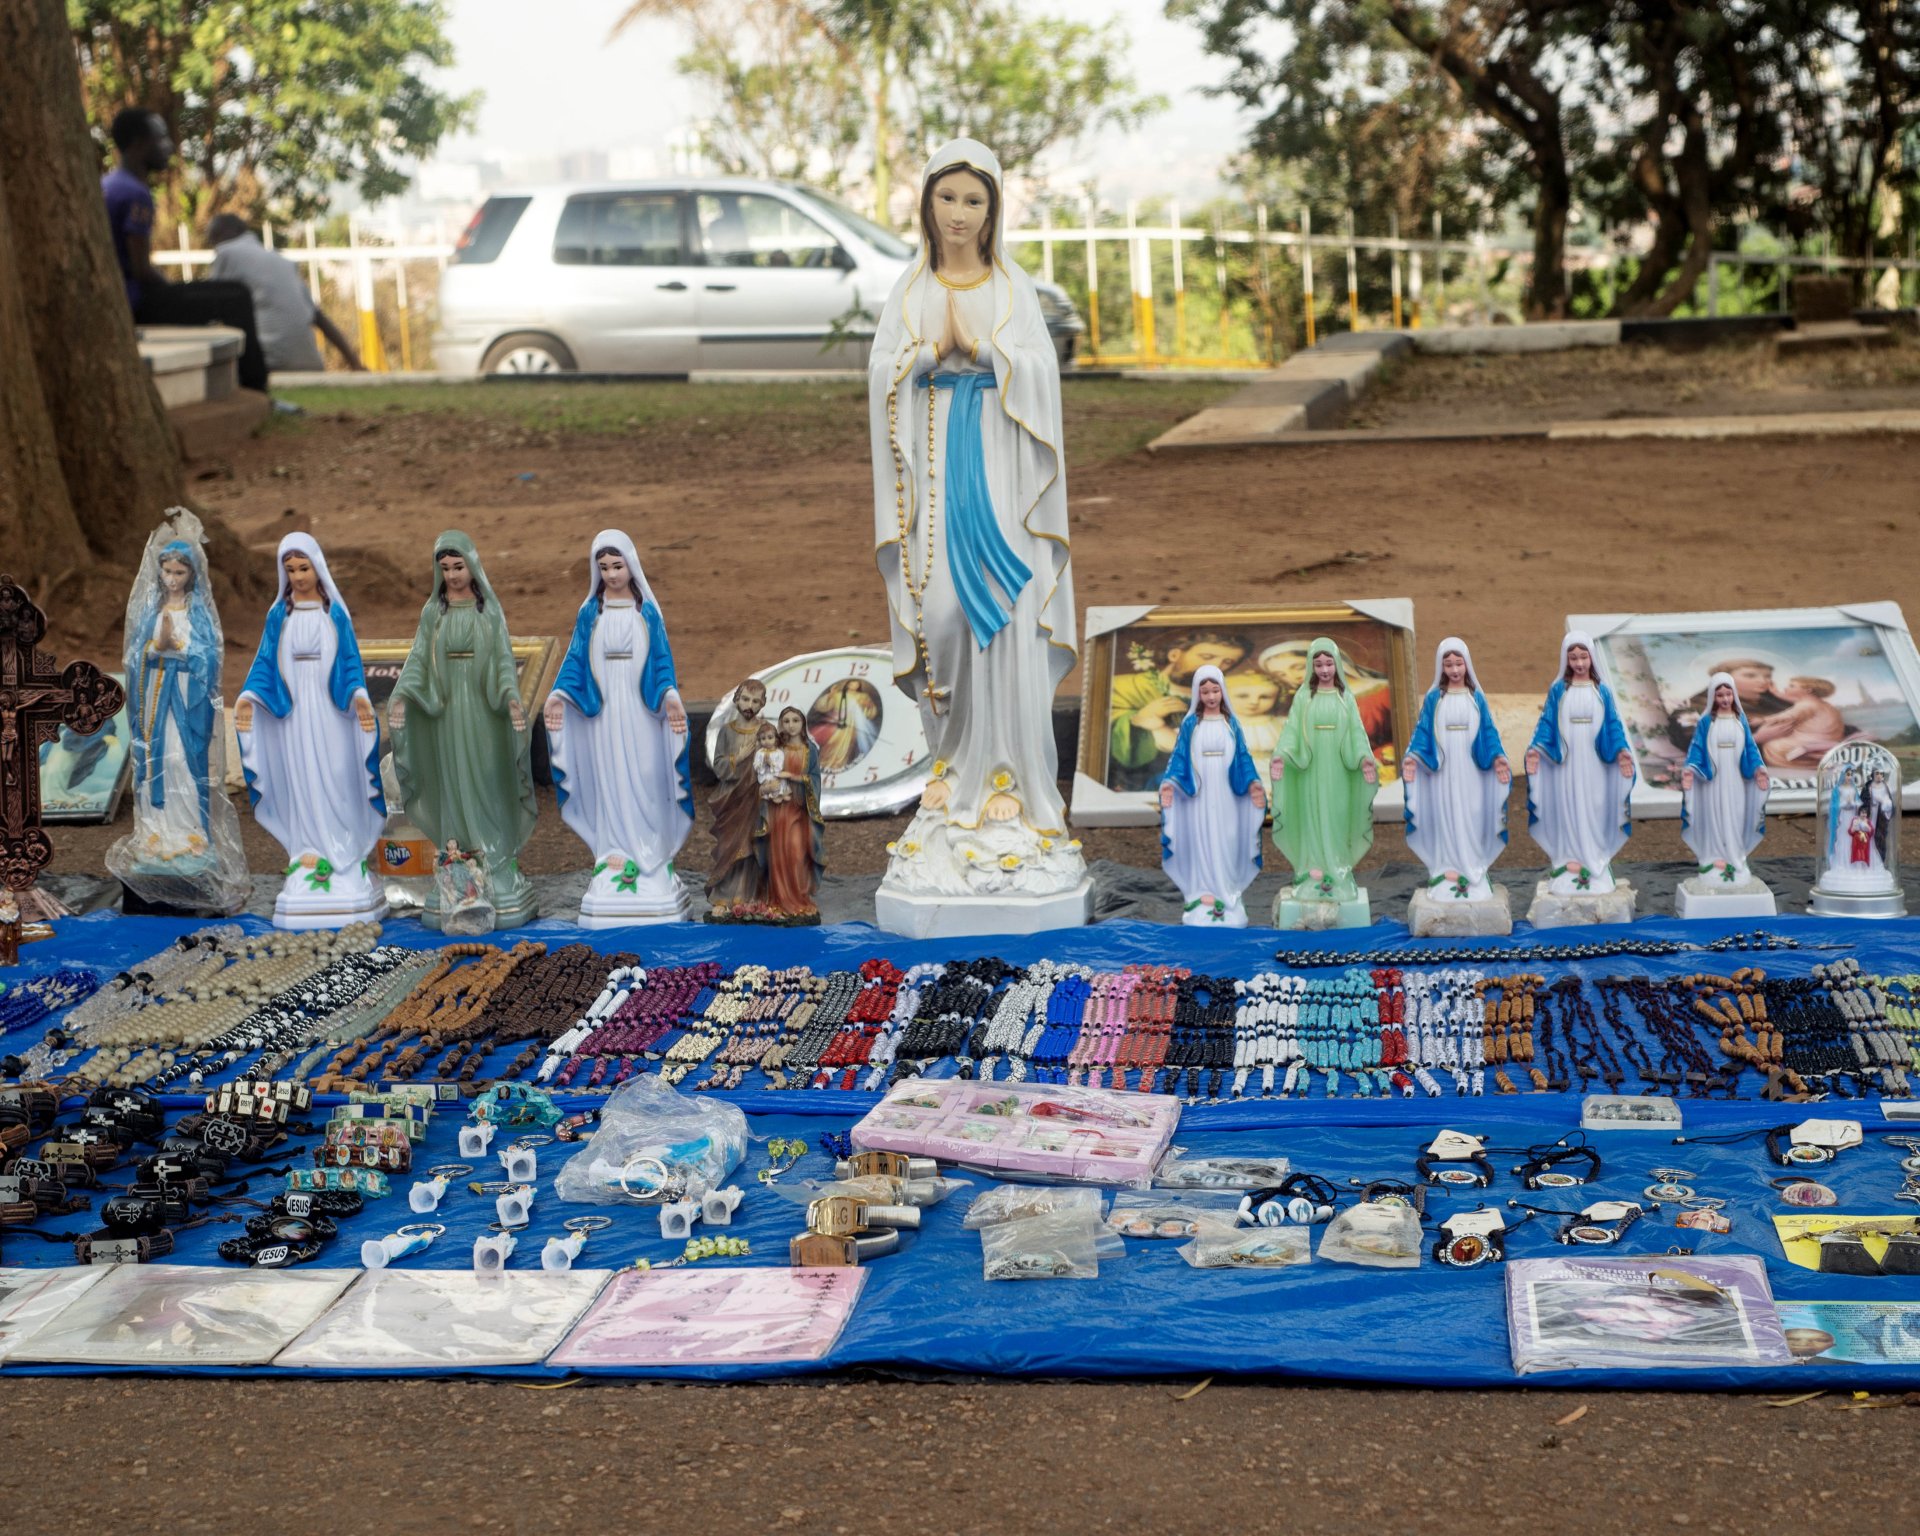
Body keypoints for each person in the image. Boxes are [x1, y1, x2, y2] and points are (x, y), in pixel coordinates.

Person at [868, 136, 1084, 905]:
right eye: (947, 198)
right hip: (932, 481)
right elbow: (882, 376)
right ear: (926, 204)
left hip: (1000, 473)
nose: (958, 214)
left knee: (1011, 620)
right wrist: (924, 357)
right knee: (947, 617)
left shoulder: (1012, 288)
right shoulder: (909, 289)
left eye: (974, 200)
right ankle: (952, 773)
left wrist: (989, 354)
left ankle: (1015, 790)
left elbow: (1040, 375)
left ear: (993, 211)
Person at [234, 533, 387, 926]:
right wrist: (249, 698)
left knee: (336, 777)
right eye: (290, 570)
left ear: (317, 568)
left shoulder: (333, 612)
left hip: (330, 712)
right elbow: (265, 663)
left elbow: (350, 662)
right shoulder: (278, 616)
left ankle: (344, 852)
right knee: (302, 778)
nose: (298, 576)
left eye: (304, 568)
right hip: (294, 715)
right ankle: (309, 852)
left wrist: (358, 697)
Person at [389, 531, 539, 930]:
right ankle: (459, 862)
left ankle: (493, 854)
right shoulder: (433, 613)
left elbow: (503, 659)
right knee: (453, 783)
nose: (453, 575)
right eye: (445, 568)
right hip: (445, 713)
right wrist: (403, 696)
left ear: (472, 566)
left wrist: (509, 697)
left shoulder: (488, 610)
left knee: (487, 781)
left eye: (459, 566)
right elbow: (419, 659)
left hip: (482, 712)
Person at [544, 530, 693, 921]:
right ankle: (614, 854)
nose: (611, 574)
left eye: (617, 566)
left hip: (641, 711)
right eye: (604, 567)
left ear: (631, 565)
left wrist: (670, 698)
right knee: (610, 779)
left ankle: (651, 854)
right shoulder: (590, 613)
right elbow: (575, 661)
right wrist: (559, 696)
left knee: (645, 777)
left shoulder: (647, 613)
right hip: (605, 715)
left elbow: (662, 663)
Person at [101, 108, 268, 392]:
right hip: (135, 303)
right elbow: (141, 271)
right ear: (138, 143)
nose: (168, 146)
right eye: (160, 138)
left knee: (223, 294)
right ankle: (257, 391)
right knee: (235, 297)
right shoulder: (135, 194)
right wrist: (172, 289)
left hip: (119, 298)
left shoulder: (110, 184)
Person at [1525, 631, 1635, 896]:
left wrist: (1621, 751)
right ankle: (1569, 858)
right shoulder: (1559, 690)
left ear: (1591, 658)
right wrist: (1536, 750)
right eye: (1573, 658)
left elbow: (1613, 725)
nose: (1579, 663)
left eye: (1583, 657)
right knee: (1569, 807)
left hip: (1596, 763)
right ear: (1566, 660)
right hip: (1567, 763)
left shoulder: (1602, 691)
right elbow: (1547, 724)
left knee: (1594, 806)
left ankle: (1595, 857)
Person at [1271, 637, 1378, 903]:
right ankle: (1313, 870)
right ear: (1312, 667)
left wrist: (1364, 758)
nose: (1324, 669)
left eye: (1329, 663)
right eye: (1318, 664)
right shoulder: (1304, 697)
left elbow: (1356, 732)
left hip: (1339, 770)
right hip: (1310, 769)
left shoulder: (1345, 698)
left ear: (1337, 665)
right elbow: (1292, 731)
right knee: (1312, 817)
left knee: (1336, 815)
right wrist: (1281, 756)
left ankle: (1338, 869)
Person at [1403, 637, 1511, 902]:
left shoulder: (1476, 698)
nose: (1454, 670)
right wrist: (1413, 757)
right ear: (1441, 667)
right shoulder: (1434, 698)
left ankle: (1472, 867)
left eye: (1458, 664)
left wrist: (1497, 757)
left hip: (1471, 769)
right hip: (1443, 771)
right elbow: (1423, 730)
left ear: (1467, 665)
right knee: (1447, 814)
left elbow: (1488, 731)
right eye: (1448, 664)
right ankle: (1447, 866)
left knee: (1471, 814)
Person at [1158, 665, 1265, 926]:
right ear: (1197, 694)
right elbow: (1180, 758)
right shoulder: (1190, 724)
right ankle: (1203, 890)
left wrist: (1252, 783)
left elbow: (1243, 757)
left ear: (1222, 691)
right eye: (1204, 691)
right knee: (1202, 839)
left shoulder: (1232, 723)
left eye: (1215, 690)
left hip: (1227, 791)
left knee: (1226, 837)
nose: (1210, 696)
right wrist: (1170, 783)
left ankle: (1226, 890)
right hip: (1199, 795)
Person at [206, 213, 365, 375]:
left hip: (270, 364)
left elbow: (210, 308)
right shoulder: (280, 260)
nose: (213, 245)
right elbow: (319, 318)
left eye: (214, 237)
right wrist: (355, 363)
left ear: (230, 231)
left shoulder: (226, 253)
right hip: (311, 363)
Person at [1108, 631, 1252, 787]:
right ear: (1175, 655)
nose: (1216, 667)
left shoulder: (1229, 697)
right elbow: (1101, 732)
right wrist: (1139, 717)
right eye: (1207, 657)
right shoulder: (1121, 686)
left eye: (1228, 662)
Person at [1679, 672, 1770, 887]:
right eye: (1720, 695)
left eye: (1728, 694)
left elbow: (1750, 747)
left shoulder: (1740, 720)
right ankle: (1713, 856)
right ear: (1713, 697)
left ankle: (1735, 856)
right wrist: (1690, 769)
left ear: (1734, 695)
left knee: (1735, 816)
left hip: (1736, 779)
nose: (1725, 699)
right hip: (1713, 781)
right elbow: (1697, 748)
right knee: (1715, 816)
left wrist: (1758, 769)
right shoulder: (1706, 722)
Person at [706, 677, 768, 915]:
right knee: (731, 847)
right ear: (736, 700)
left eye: (755, 700)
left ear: (762, 703)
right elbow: (719, 766)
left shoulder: (766, 731)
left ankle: (752, 895)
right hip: (733, 799)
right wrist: (739, 757)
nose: (749, 705)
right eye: (745, 699)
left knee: (755, 846)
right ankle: (725, 896)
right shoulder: (726, 731)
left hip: (757, 797)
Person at [758, 707, 824, 920]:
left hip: (799, 809)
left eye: (795, 720)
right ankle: (778, 901)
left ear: (803, 723)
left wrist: (794, 777)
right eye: (786, 720)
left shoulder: (809, 750)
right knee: (778, 854)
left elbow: (814, 778)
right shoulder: (777, 749)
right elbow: (765, 772)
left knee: (797, 853)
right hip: (778, 810)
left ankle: (800, 899)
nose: (791, 725)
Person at [1752, 675, 1846, 767]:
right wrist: (1776, 693)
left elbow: (1787, 716)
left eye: (1792, 686)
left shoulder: (1806, 705)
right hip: (1826, 740)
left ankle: (1799, 764)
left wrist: (1762, 720)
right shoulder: (1818, 702)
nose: (1786, 688)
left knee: (1771, 745)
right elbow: (1794, 700)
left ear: (1808, 690)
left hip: (1811, 742)